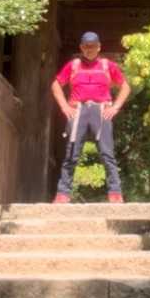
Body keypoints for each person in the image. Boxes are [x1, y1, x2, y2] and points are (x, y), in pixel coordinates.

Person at [51, 31, 130, 204]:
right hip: (78, 110)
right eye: (86, 46)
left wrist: (115, 107)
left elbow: (125, 87)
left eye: (93, 46)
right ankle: (63, 194)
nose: (89, 49)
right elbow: (56, 85)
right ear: (81, 47)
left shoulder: (107, 65)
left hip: (101, 111)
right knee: (72, 154)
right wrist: (64, 106)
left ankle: (115, 192)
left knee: (107, 153)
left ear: (99, 47)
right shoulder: (73, 65)